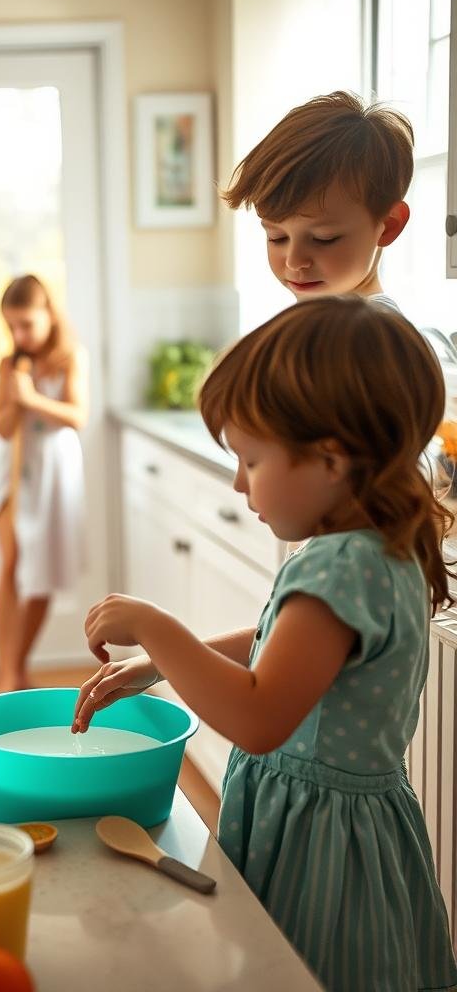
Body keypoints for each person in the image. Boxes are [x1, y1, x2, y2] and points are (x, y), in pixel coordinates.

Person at [72, 297, 457, 991]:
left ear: (333, 459)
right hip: (356, 829)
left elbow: (257, 719)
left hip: (323, 848)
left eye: (251, 459)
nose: (237, 482)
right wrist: (160, 666)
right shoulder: (381, 548)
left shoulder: (337, 564)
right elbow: (279, 645)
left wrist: (158, 625)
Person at [223, 91, 413, 308]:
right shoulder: (331, 322)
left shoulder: (368, 332)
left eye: (324, 238)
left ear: (389, 225)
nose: (294, 262)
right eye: (277, 237)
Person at [0, 275, 86, 692]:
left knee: (43, 573)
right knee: (12, 564)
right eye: (11, 326)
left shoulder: (70, 358)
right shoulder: (9, 366)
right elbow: (0, 427)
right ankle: (8, 674)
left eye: (27, 324)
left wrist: (33, 399)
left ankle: (20, 663)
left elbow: (77, 416)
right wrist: (15, 400)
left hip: (56, 472)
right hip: (16, 474)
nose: (19, 335)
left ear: (49, 314)